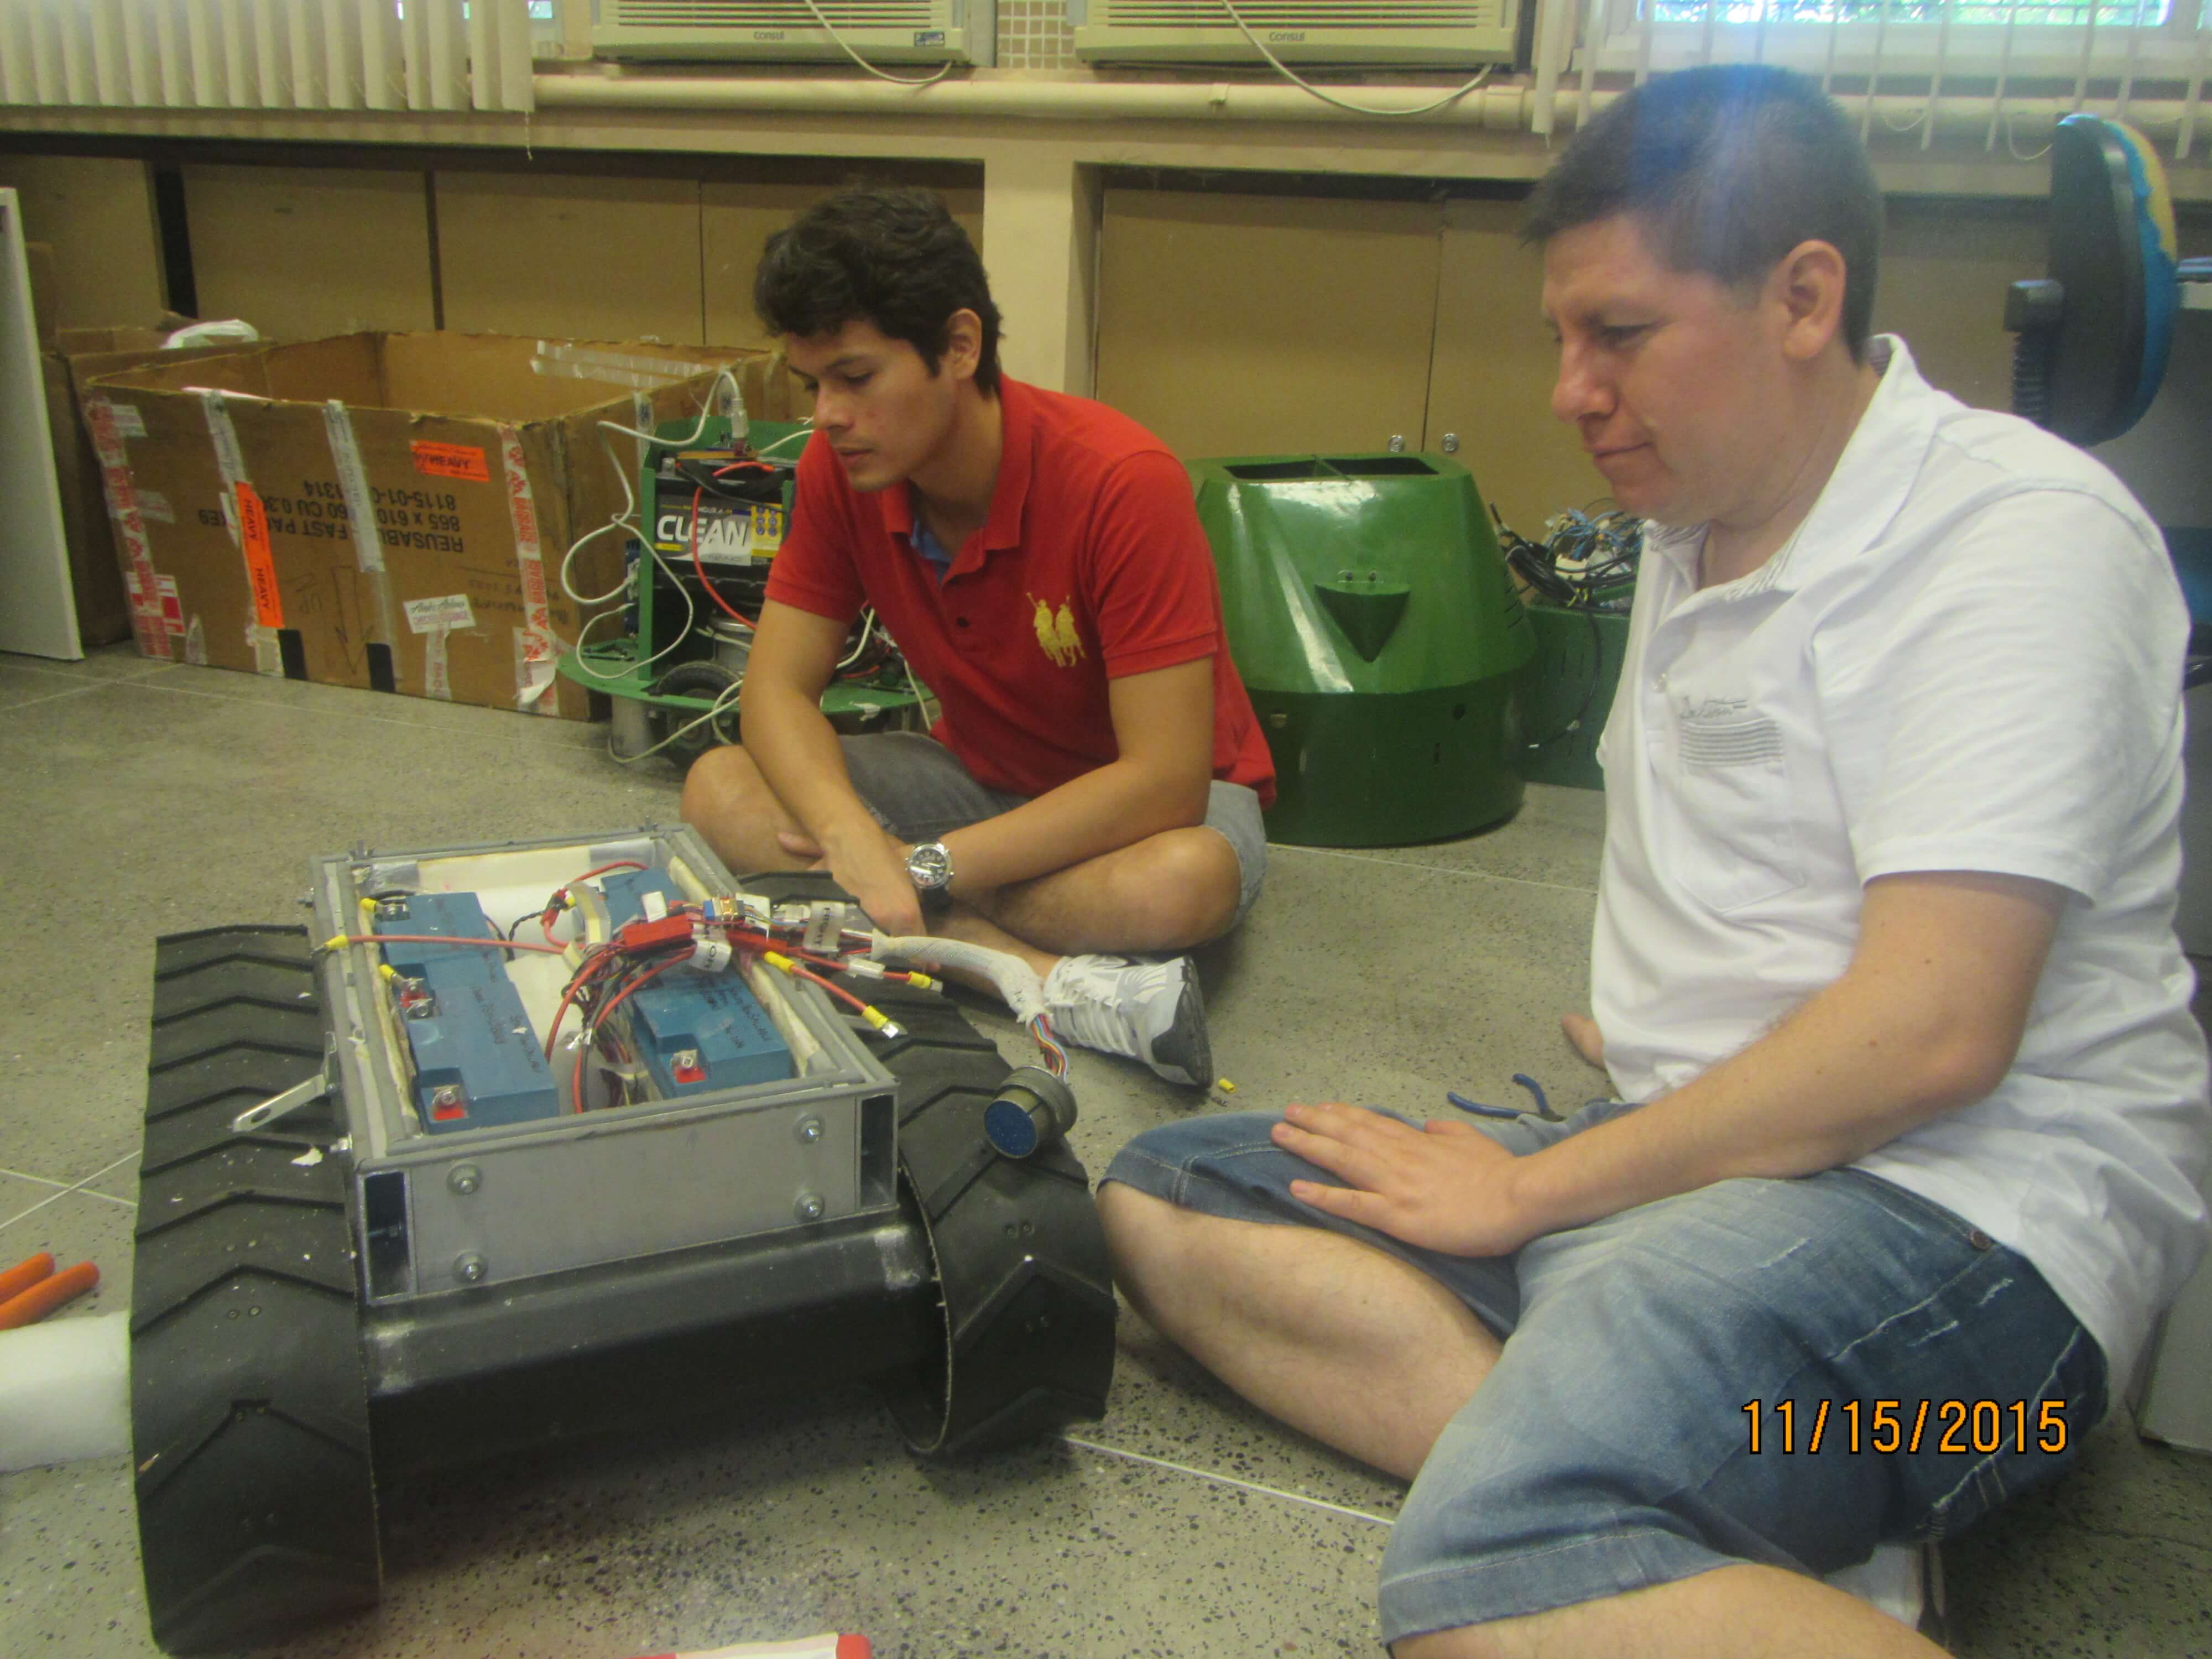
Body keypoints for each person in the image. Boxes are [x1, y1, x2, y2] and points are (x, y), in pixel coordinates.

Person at [1098, 64, 2211, 1658]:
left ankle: (1625, 1498)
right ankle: (1716, 1509)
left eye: (1617, 335)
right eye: (1562, 338)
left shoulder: (2018, 535)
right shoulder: (1696, 519)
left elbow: (1936, 1032)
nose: (1570, 390)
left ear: (1803, 299)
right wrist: (1673, 1037)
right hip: (1696, 1162)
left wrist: (1531, 1191)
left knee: (1488, 1575)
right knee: (1164, 1198)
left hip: (1970, 1250)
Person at [681, 188, 1276, 1088]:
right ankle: (1040, 978)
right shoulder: (842, 473)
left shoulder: (1123, 481)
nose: (826, 416)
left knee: (1182, 885)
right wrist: (849, 835)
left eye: (855, 378)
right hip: (978, 779)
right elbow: (774, 691)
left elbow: (1163, 780)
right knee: (719, 787)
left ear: (959, 347)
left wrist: (920, 867)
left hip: (1153, 810)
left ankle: (901, 921)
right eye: (813, 386)